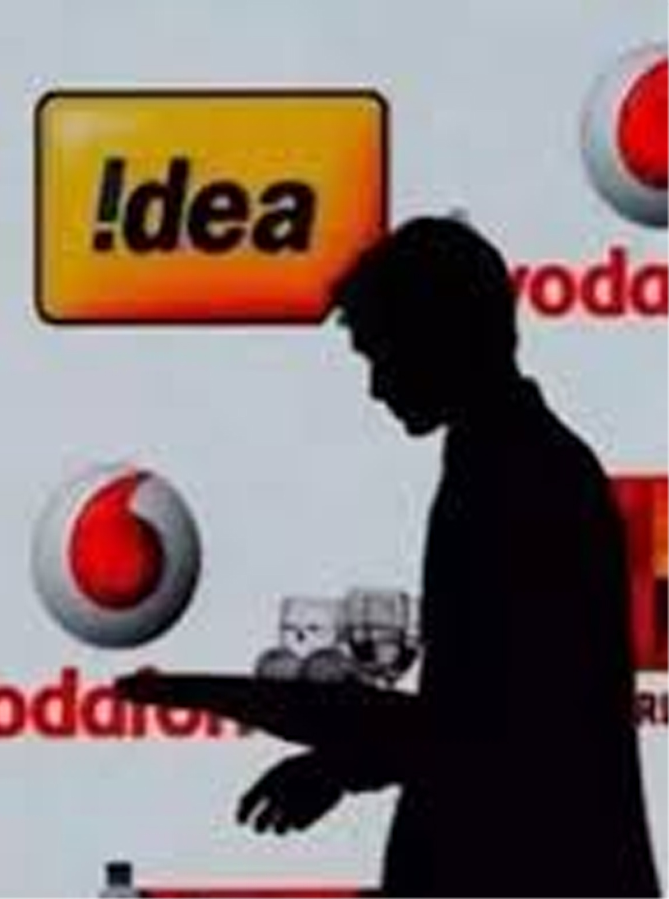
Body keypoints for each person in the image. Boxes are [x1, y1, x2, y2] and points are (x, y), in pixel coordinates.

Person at [118, 217, 660, 897]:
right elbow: (476, 719)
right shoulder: (520, 464)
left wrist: (318, 755)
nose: (377, 386)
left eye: (384, 352)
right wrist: (214, 698)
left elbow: (488, 730)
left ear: (440, 337)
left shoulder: (518, 481)